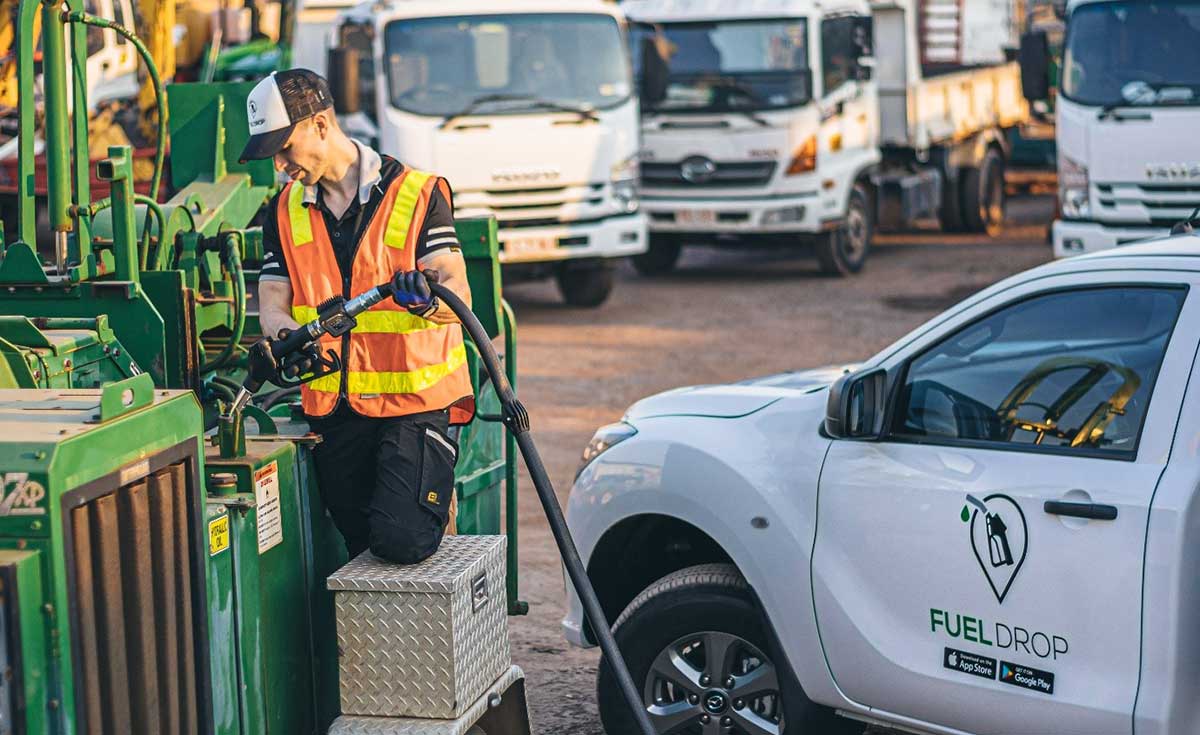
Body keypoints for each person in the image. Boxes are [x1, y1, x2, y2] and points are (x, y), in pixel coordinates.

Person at [239, 68, 475, 564]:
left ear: (321, 124)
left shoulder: (417, 193)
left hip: (415, 404)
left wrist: (427, 297)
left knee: (401, 539)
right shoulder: (284, 211)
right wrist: (287, 335)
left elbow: (456, 287)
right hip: (335, 410)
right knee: (360, 545)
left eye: (284, 148)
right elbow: (273, 298)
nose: (281, 165)